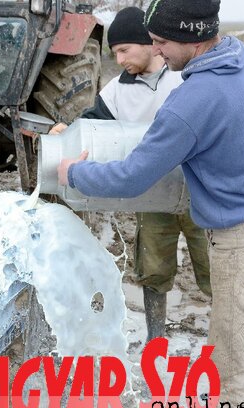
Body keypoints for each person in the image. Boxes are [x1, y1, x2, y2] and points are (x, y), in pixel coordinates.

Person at [57, 0, 244, 408]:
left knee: (232, 358)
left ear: (191, 37)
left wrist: (73, 172)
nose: (158, 51)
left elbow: (131, 178)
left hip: (240, 239)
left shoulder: (190, 99)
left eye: (162, 42)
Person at [50, 6, 211, 344]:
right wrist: (68, 131)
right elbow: (93, 122)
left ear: (148, 43)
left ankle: (224, 339)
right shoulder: (117, 91)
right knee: (153, 268)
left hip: (200, 194)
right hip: (151, 192)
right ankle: (156, 340)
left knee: (213, 269)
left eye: (123, 50)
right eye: (114, 53)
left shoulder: (184, 76)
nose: (119, 59)